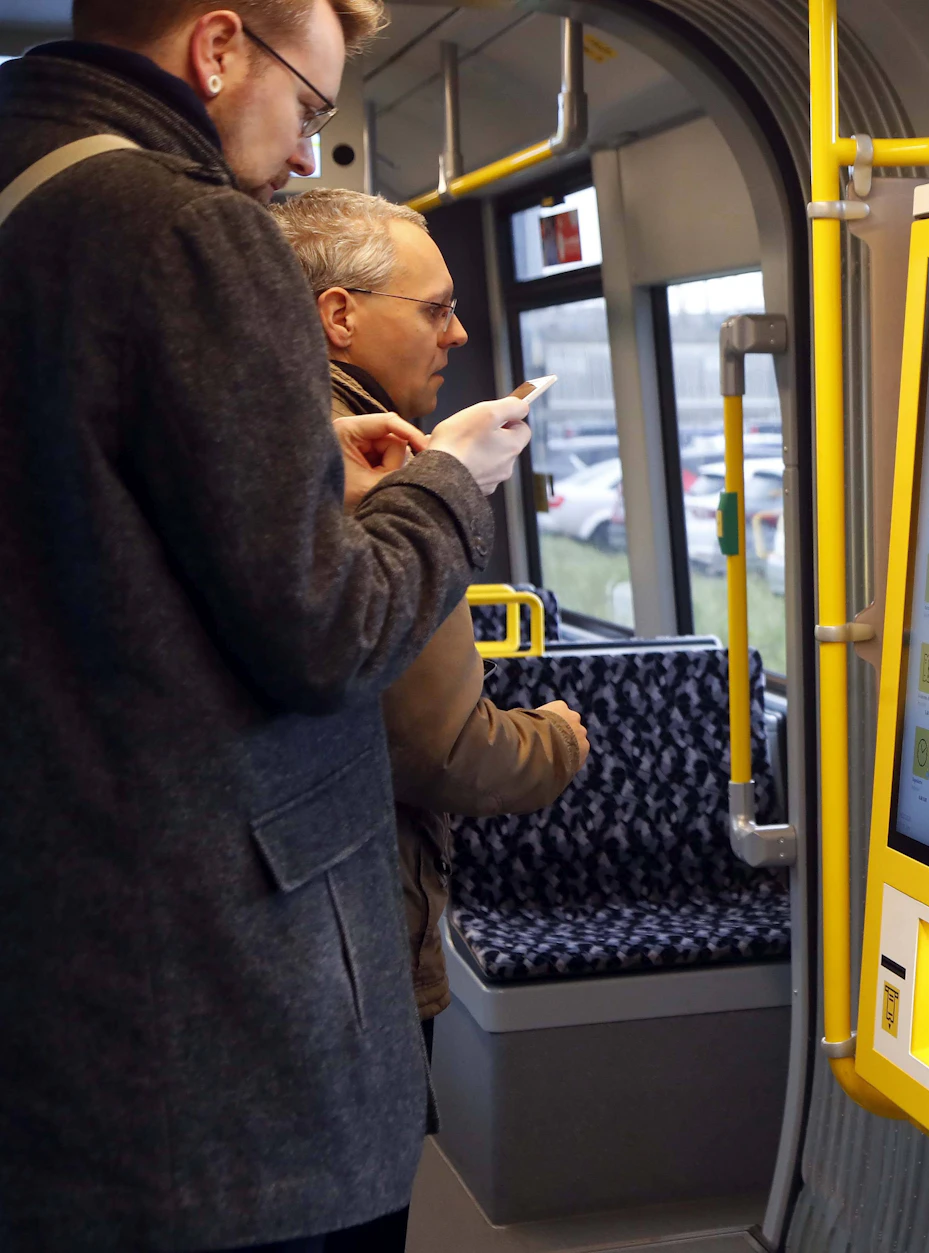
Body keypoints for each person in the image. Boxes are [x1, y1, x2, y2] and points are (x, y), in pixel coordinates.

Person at [0, 2, 538, 1250]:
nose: (304, 153)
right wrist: (447, 483)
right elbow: (330, 635)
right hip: (212, 1022)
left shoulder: (32, 197)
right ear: (217, 47)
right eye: (308, 105)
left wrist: (302, 453)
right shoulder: (187, 228)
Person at [271, 187, 593, 1251]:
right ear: (338, 316)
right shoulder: (386, 483)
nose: (457, 333)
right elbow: (441, 745)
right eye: (436, 308)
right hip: (350, 940)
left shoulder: (278, 436)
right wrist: (560, 735)